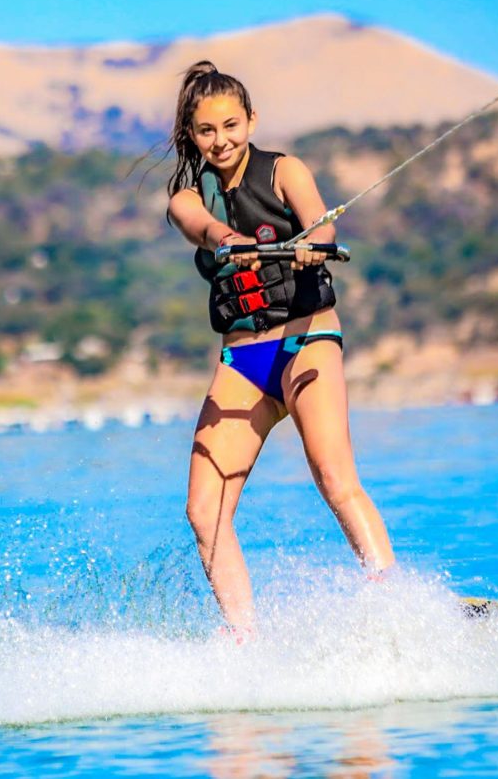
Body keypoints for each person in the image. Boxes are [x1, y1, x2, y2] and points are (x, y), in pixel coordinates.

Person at [166, 61, 396, 638]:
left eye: (231, 125)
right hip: (243, 361)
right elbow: (199, 225)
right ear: (190, 135)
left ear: (251, 121)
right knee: (203, 511)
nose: (221, 140)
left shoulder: (283, 170)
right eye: (206, 130)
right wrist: (229, 240)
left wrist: (313, 246)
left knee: (333, 476)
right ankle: (247, 641)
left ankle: (397, 608)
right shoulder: (188, 198)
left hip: (306, 340)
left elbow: (321, 226)